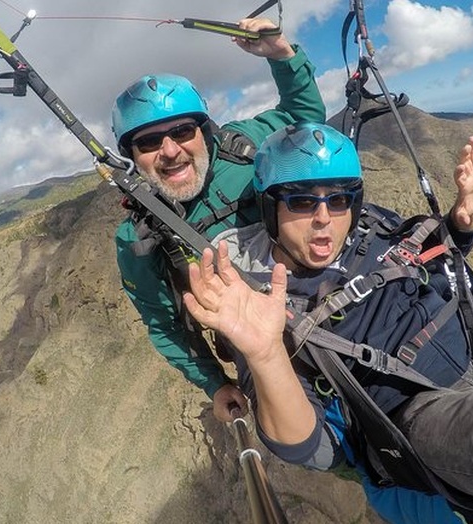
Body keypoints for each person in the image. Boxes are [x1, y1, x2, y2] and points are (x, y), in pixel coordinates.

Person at [183, 122, 473, 523]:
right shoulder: (258, 301)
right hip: (416, 413)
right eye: (302, 202)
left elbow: (429, 261)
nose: (325, 219)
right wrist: (265, 354)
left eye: (340, 198)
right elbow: (309, 447)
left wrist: (463, 219)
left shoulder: (368, 224)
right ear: (272, 208)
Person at [112, 17, 326, 417]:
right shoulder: (138, 237)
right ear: (133, 156)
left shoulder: (242, 145)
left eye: (182, 131)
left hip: (324, 295)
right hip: (255, 343)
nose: (171, 150)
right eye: (148, 142)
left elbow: (306, 119)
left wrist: (281, 56)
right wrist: (216, 384)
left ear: (205, 131)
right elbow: (164, 324)